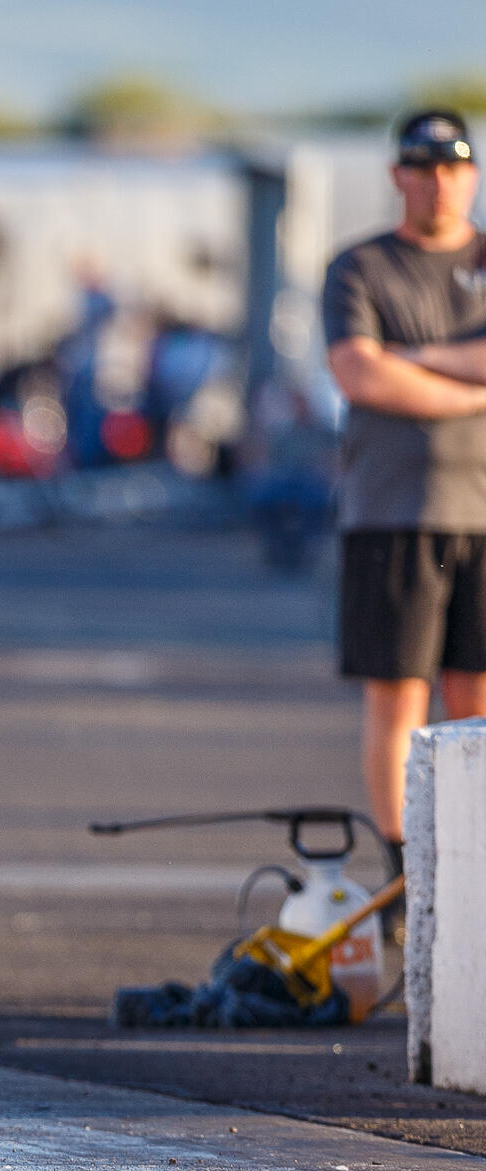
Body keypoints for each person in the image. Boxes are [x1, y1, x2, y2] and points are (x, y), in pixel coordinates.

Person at [322, 109, 486, 868]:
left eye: (453, 166)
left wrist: (414, 357)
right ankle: (403, 861)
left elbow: (389, 365)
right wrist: (472, 385)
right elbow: (359, 372)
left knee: (476, 701)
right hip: (393, 510)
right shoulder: (360, 267)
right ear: (398, 176)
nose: (439, 183)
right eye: (422, 167)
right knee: (398, 696)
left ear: (472, 174)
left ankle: (471, 861)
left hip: (480, 514)